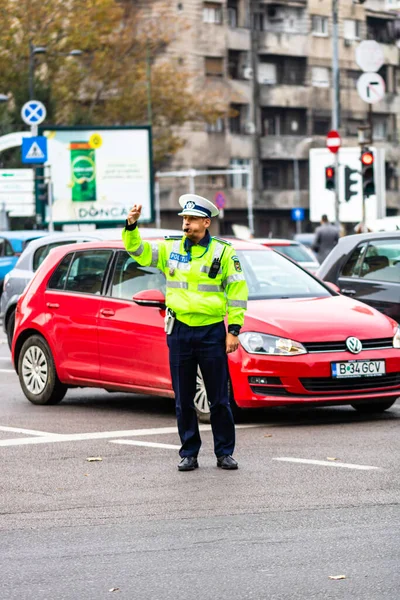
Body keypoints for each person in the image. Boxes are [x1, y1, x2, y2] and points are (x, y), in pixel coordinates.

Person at [122, 194, 249, 472]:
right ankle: (189, 452)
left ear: (206, 222)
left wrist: (234, 330)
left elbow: (237, 292)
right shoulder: (169, 248)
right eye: (184, 219)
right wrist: (131, 227)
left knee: (218, 398)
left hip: (211, 331)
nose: (185, 224)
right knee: (184, 397)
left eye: (191, 219)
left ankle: (224, 452)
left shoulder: (223, 252)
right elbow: (138, 252)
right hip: (179, 331)